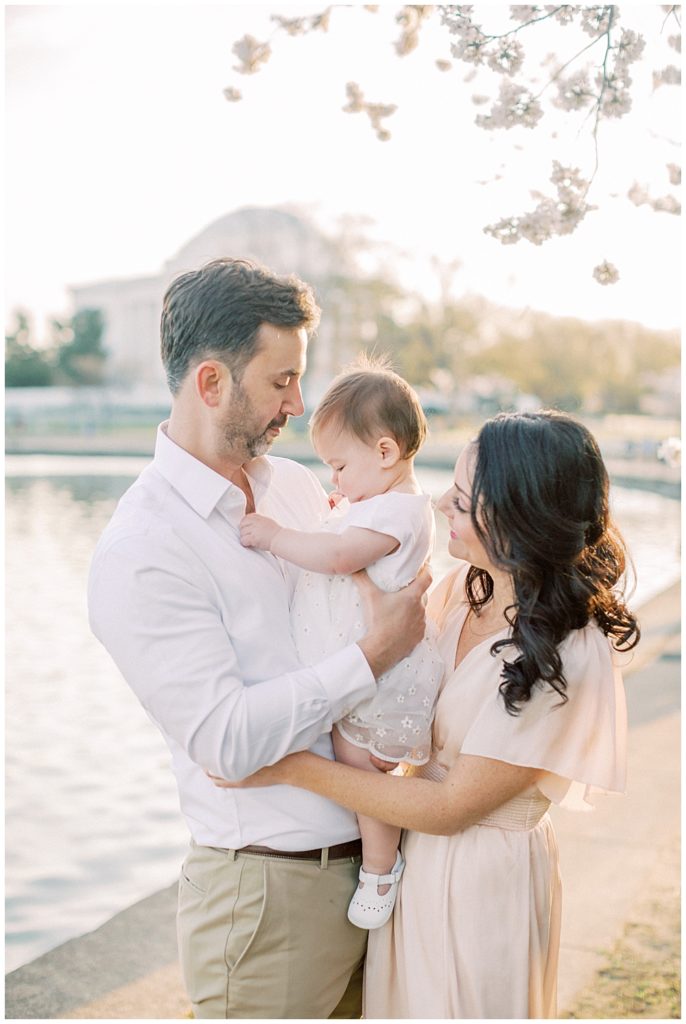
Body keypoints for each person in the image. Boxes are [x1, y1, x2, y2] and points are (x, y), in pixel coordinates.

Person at [209, 409, 640, 1019]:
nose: (439, 505)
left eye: (463, 501)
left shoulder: (569, 649)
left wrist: (285, 767)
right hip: (412, 868)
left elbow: (449, 807)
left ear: (522, 517)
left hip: (484, 884)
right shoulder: (461, 590)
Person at [87, 257, 430, 1020]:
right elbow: (228, 745)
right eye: (282, 381)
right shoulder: (142, 551)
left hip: (371, 869)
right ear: (212, 383)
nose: (300, 404)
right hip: (268, 894)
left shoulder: (299, 489)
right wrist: (375, 654)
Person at [239, 360, 444, 929]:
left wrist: (277, 536)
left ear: (384, 452)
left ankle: (381, 867)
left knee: (360, 769)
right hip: (366, 662)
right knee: (358, 763)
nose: (334, 482)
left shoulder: (402, 510)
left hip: (382, 673)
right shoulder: (378, 503)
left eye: (340, 466)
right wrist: (339, 513)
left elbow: (338, 558)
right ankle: (383, 859)